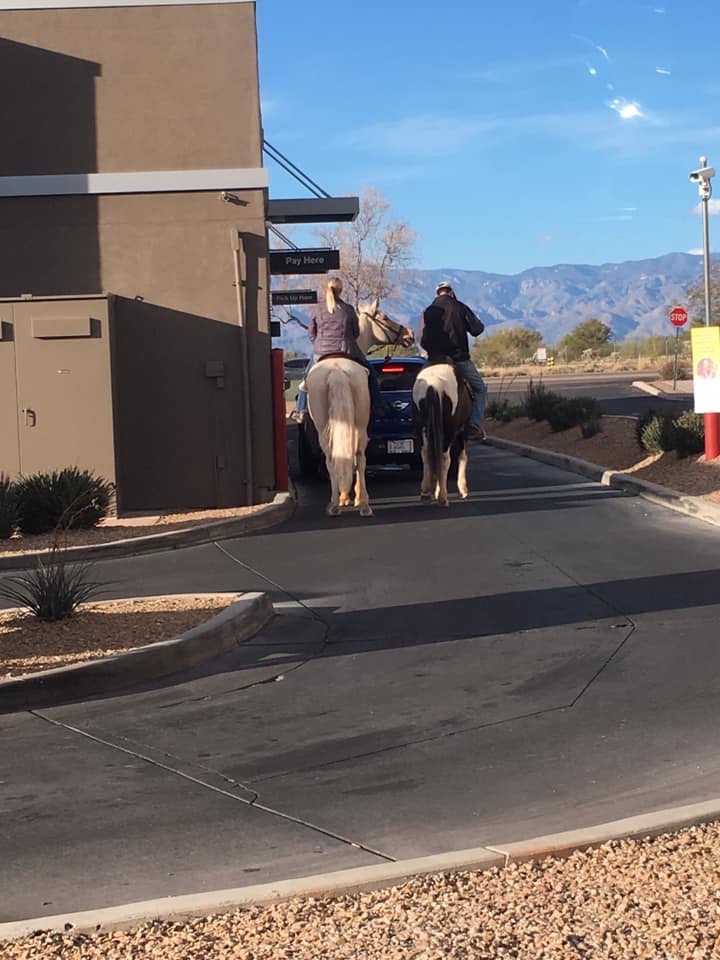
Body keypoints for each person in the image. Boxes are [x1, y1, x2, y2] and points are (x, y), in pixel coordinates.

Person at [295, 277, 384, 415]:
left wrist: (319, 343)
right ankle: (378, 405)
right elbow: (355, 333)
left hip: (321, 353)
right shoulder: (348, 309)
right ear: (341, 291)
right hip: (346, 351)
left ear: (327, 289)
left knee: (304, 381)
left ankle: (300, 410)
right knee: (371, 373)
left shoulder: (317, 309)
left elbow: (311, 332)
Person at [419, 280, 488, 440]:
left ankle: (420, 424)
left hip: (435, 360)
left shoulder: (429, 311)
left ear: (438, 293)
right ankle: (473, 426)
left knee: (418, 387)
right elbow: (477, 329)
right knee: (480, 389)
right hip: (459, 359)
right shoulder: (460, 306)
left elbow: (424, 340)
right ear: (451, 292)